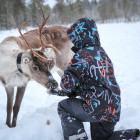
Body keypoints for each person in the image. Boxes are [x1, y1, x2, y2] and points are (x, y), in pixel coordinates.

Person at [50, 18, 121, 140]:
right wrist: (79, 91)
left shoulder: (82, 55)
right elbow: (98, 82)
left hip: (97, 108)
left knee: (63, 107)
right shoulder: (102, 54)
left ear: (80, 36)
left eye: (74, 39)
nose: (73, 42)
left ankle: (77, 137)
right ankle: (129, 136)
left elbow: (67, 83)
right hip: (113, 109)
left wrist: (68, 89)